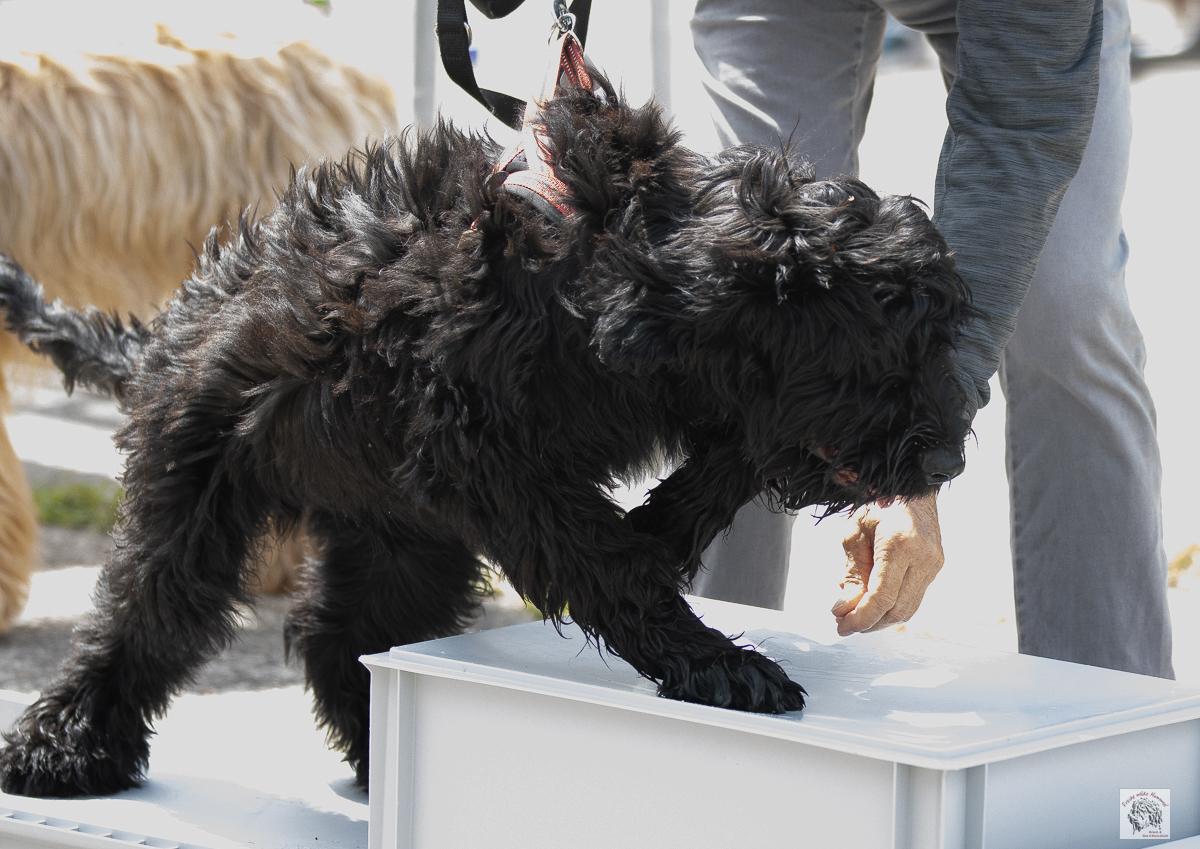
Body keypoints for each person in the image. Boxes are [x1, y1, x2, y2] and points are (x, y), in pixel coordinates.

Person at [688, 0, 1174, 678]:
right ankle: (700, 660)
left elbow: (1020, 129)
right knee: (749, 291)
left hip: (1023, 27)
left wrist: (914, 451)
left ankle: (1109, 701)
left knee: (1066, 303)